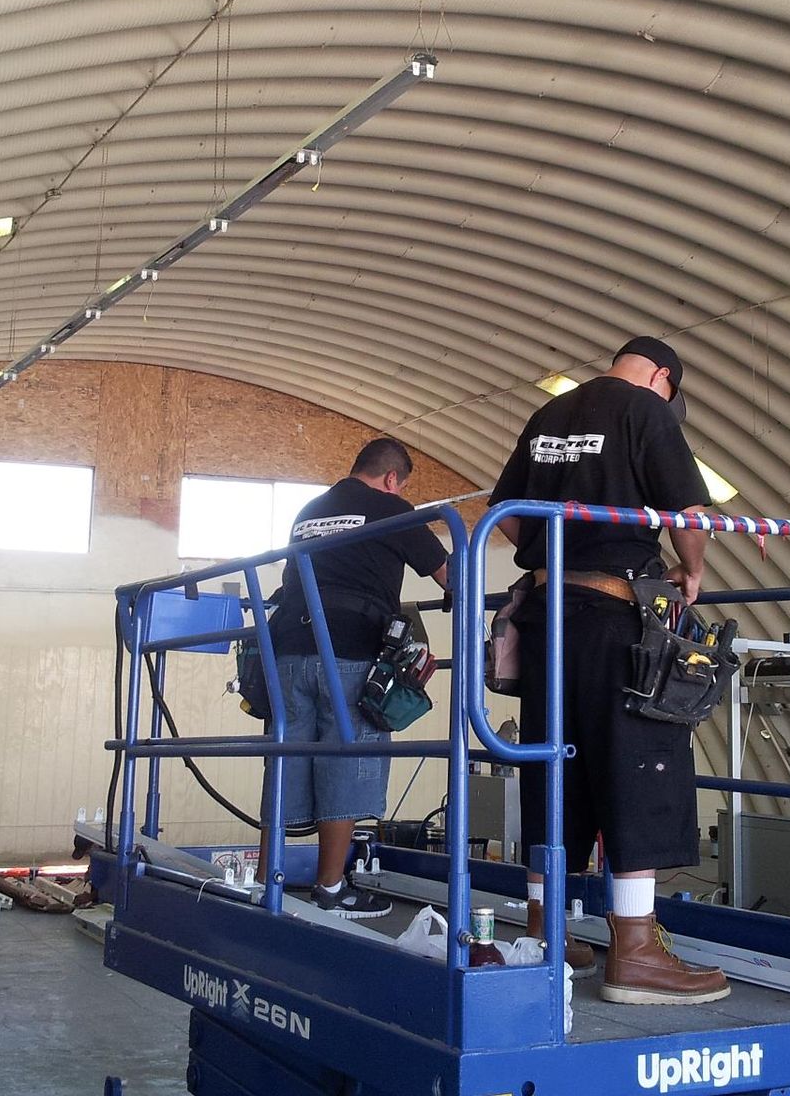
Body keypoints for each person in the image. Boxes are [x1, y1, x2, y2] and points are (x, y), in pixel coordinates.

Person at [487, 336, 728, 1004]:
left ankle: (545, 932)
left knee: (553, 770)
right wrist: (694, 571)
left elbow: (508, 518)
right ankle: (638, 950)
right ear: (661, 378)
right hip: (613, 614)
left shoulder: (548, 417)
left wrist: (556, 547)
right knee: (638, 763)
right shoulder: (644, 411)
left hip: (546, 618)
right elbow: (687, 510)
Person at [270, 437, 450, 917]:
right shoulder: (391, 508)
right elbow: (450, 574)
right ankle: (330, 888)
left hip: (287, 648)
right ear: (393, 479)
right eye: (402, 484)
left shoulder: (308, 510)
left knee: (287, 757)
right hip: (350, 650)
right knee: (348, 758)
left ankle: (270, 879)